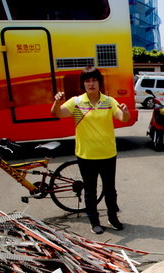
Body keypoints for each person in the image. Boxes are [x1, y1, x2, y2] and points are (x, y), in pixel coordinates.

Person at [51, 66, 130, 234]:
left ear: (99, 82)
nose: (91, 84)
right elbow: (57, 113)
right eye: (87, 81)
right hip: (86, 155)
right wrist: (56, 103)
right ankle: (94, 221)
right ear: (83, 84)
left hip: (108, 154)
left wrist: (126, 112)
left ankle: (113, 217)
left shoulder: (109, 101)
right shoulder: (77, 102)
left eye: (94, 80)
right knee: (90, 190)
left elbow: (122, 117)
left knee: (110, 190)